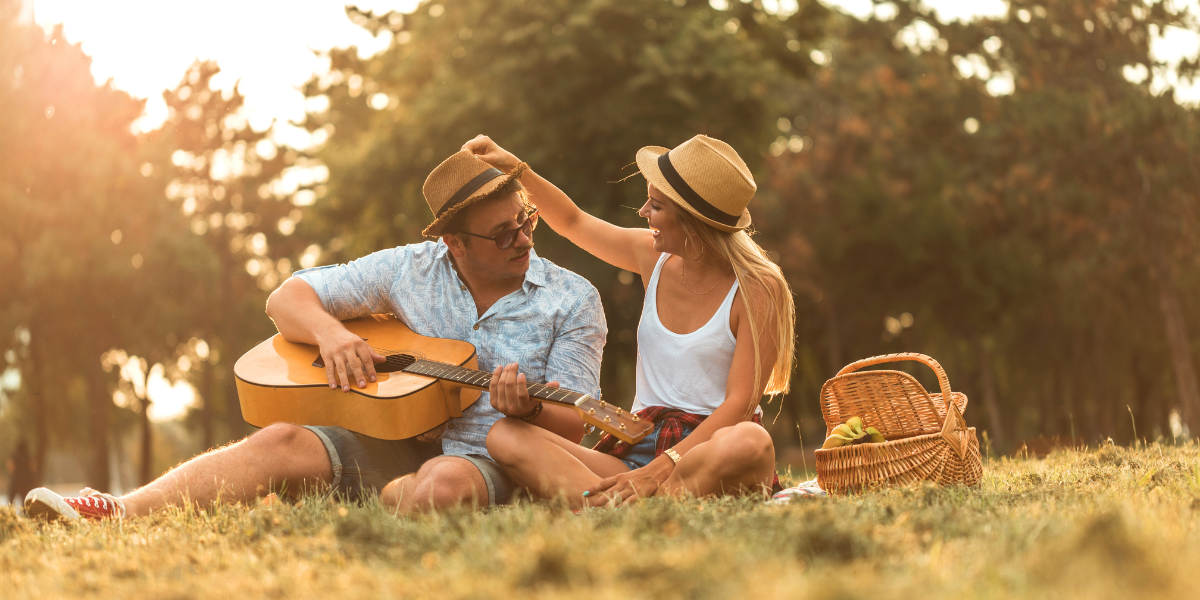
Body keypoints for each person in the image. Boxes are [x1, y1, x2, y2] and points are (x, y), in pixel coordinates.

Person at [23, 150, 606, 522]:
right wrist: (332, 336)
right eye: (501, 234)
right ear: (454, 243)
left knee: (445, 481)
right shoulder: (411, 268)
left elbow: (579, 424)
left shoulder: (572, 297)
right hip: (394, 438)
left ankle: (370, 499)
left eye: (525, 221)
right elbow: (287, 298)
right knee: (279, 440)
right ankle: (116, 511)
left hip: (491, 458)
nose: (524, 241)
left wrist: (525, 410)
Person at [467, 134, 796, 508]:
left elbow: (740, 404)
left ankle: (613, 507)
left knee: (750, 441)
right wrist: (514, 166)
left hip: (710, 450)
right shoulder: (651, 257)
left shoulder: (757, 287)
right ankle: (629, 507)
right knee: (505, 434)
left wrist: (664, 467)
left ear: (691, 221)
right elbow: (573, 221)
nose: (642, 212)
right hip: (638, 446)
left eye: (655, 205)